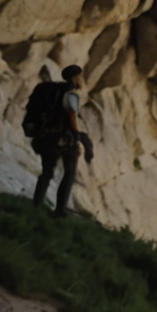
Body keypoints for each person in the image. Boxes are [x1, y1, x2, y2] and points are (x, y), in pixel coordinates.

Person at [26, 65, 93, 217]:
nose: (80, 81)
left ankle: (36, 205)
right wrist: (76, 133)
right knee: (69, 173)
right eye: (79, 77)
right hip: (63, 140)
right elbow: (71, 115)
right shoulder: (70, 95)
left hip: (45, 138)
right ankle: (59, 210)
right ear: (74, 77)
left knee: (47, 173)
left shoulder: (52, 91)